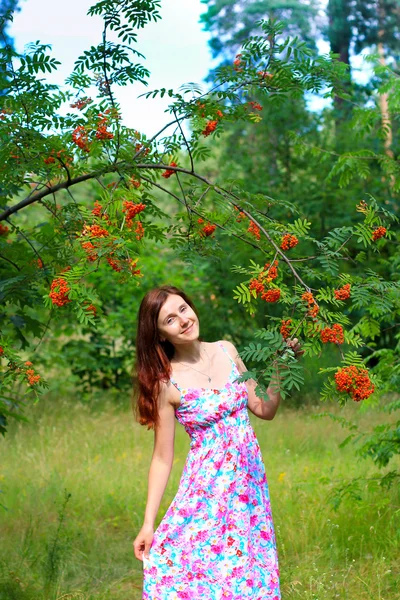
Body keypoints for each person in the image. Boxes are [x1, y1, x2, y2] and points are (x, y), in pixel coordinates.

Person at [133, 284, 302, 599]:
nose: (183, 320)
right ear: (160, 335)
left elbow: (264, 409)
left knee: (245, 576)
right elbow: (161, 458)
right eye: (170, 319)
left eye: (183, 309)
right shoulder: (166, 384)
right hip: (206, 493)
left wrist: (282, 365)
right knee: (202, 576)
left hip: (247, 490)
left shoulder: (227, 350)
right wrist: (147, 523)